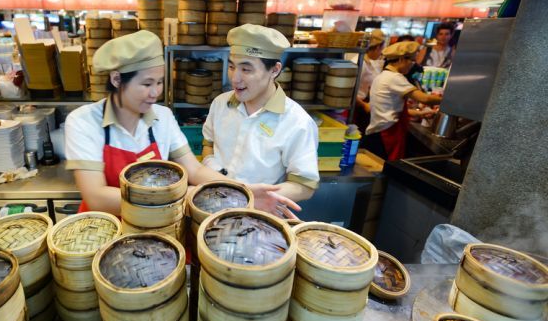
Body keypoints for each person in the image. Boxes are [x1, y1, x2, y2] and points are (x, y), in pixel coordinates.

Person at [64, 30, 300, 218]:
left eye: (159, 82)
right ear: (117, 79)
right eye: (146, 84)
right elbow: (97, 196)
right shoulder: (84, 121)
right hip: (100, 228)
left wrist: (239, 190)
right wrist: (185, 195)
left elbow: (194, 169)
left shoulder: (163, 117)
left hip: (155, 225)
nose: (155, 93)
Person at [201, 24, 320, 204]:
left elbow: (304, 186)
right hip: (213, 202)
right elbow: (208, 143)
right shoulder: (221, 104)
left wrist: (247, 196)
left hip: (258, 213)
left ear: (274, 70)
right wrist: (211, 165)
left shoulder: (297, 122)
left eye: (246, 69)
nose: (235, 78)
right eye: (232, 67)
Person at [363, 41, 442, 161]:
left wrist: (420, 113)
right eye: (411, 60)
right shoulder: (395, 78)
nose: (412, 64)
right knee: (387, 169)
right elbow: (424, 98)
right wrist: (448, 100)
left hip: (380, 133)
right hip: (387, 134)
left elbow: (391, 108)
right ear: (401, 59)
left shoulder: (383, 76)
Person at [353, 29, 386, 133]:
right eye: (381, 49)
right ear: (377, 47)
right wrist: (364, 105)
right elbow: (351, 90)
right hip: (356, 107)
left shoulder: (369, 62)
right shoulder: (360, 63)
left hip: (362, 105)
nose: (381, 53)